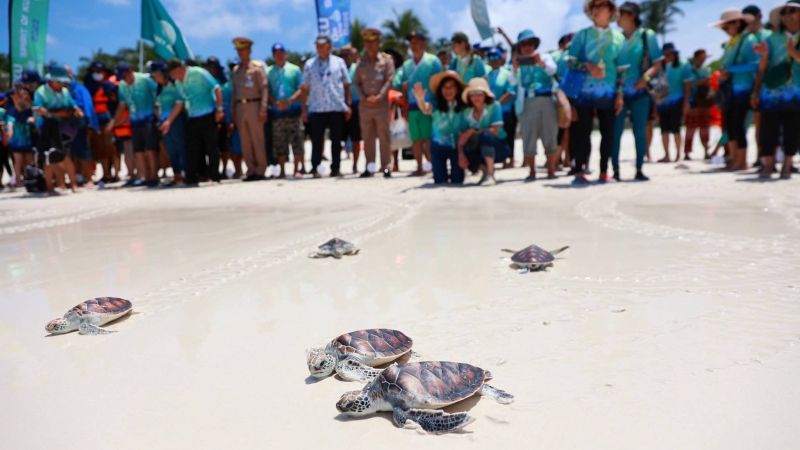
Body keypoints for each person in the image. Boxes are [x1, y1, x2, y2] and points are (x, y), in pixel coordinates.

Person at [565, 0, 625, 185]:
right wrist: (587, 66)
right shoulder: (582, 36)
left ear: (611, 10)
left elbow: (622, 69)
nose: (597, 10)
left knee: (608, 133)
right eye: (594, 6)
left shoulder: (619, 38)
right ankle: (580, 172)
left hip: (608, 93)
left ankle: (604, 172)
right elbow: (570, 61)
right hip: (583, 92)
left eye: (601, 5)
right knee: (582, 133)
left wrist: (620, 94)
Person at [612, 1, 663, 181]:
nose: (617, 19)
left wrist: (645, 79)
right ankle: (615, 170)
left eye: (620, 15)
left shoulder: (647, 35)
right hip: (618, 93)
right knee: (615, 131)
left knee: (640, 131)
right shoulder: (615, 38)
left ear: (631, 15)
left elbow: (657, 63)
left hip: (641, 93)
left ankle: (640, 169)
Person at [752, 0, 800, 179]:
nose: (788, 15)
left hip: (795, 92)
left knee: (792, 129)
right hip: (770, 93)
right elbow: (763, 68)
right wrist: (755, 91)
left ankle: (787, 166)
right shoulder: (771, 38)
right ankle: (768, 165)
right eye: (785, 12)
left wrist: (793, 52)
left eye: (792, 11)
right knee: (767, 130)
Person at [713, 7, 760, 171]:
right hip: (729, 91)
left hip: (744, 89)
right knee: (730, 125)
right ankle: (733, 158)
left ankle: (742, 161)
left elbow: (756, 65)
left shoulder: (749, 40)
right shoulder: (730, 44)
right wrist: (722, 75)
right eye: (724, 27)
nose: (726, 29)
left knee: (739, 125)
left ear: (738, 23)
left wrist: (731, 70)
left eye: (728, 25)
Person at [300, 34, 352, 178]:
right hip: (316, 108)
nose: (319, 48)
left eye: (322, 45)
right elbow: (304, 88)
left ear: (329, 46)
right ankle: (315, 167)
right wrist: (304, 110)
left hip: (336, 106)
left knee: (336, 140)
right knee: (317, 140)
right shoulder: (309, 64)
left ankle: (336, 168)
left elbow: (347, 85)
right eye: (317, 45)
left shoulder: (339, 62)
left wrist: (348, 105)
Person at [511, 29, 559, 180]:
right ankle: (532, 171)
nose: (527, 47)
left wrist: (540, 63)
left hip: (546, 100)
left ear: (535, 44)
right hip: (527, 102)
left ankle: (551, 170)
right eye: (523, 44)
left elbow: (553, 70)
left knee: (550, 134)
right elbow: (512, 82)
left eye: (530, 43)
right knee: (528, 136)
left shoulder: (545, 56)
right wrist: (514, 67)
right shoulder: (517, 61)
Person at [393, 30, 443, 176]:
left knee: (428, 138)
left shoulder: (433, 61)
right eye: (411, 42)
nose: (413, 45)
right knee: (416, 139)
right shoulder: (407, 65)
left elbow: (439, 82)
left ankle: (433, 165)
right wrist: (401, 86)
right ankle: (419, 166)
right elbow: (398, 81)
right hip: (412, 106)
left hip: (428, 106)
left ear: (423, 43)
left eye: (416, 42)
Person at [168, 59, 225, 186]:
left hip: (208, 115)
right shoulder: (177, 83)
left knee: (211, 147)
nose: (172, 77)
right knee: (192, 149)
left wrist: (219, 109)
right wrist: (169, 121)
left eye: (172, 74)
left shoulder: (199, 73)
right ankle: (192, 178)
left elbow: (216, 88)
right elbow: (179, 103)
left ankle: (215, 176)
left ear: (178, 69)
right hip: (192, 117)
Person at [107, 62, 159, 187]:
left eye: (124, 76)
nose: (123, 79)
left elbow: (158, 93)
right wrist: (114, 121)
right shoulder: (122, 86)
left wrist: (158, 112)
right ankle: (145, 177)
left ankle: (154, 177)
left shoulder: (145, 80)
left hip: (149, 119)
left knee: (150, 149)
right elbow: (122, 105)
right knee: (139, 151)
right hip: (135, 121)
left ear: (130, 71)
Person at [33, 65, 83, 193]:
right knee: (49, 158)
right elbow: (39, 111)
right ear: (52, 81)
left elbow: (72, 107)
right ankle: (51, 187)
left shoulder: (65, 92)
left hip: (62, 128)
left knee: (65, 157)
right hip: (45, 128)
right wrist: (60, 112)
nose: (63, 85)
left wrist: (72, 110)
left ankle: (73, 185)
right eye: (60, 82)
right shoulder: (41, 92)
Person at [353, 27, 395, 178]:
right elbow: (356, 82)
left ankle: (386, 167)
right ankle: (370, 166)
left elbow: (390, 79)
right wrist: (363, 97)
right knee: (367, 137)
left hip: (381, 104)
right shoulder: (360, 62)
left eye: (373, 41)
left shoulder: (386, 60)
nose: (370, 45)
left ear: (379, 42)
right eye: (367, 42)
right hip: (365, 106)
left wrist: (380, 96)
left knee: (384, 136)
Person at [412, 70, 466, 184]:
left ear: (457, 89)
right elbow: (425, 109)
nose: (448, 90)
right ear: (440, 90)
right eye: (445, 87)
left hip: (457, 147)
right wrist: (420, 99)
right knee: (440, 179)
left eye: (451, 87)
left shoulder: (463, 105)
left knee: (458, 179)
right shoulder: (436, 104)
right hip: (438, 146)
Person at [231, 37, 269, 181]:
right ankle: (251, 169)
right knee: (245, 141)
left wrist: (263, 108)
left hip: (255, 105)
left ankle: (260, 169)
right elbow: (235, 92)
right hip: (241, 106)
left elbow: (264, 88)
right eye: (239, 51)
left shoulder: (257, 68)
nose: (241, 53)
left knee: (257, 139)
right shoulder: (236, 70)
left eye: (243, 50)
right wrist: (233, 110)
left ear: (249, 50)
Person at [458, 77, 507, 185]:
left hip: (498, 146)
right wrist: (460, 154)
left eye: (479, 94)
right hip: (477, 147)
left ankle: (490, 174)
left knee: (486, 136)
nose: (476, 98)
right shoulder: (466, 112)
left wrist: (473, 131)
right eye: (472, 94)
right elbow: (462, 136)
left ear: (486, 95)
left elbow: (494, 130)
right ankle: (484, 172)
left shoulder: (495, 106)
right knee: (467, 146)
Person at [267, 42, 306, 178]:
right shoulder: (268, 71)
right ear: (273, 55)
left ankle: (297, 169)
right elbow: (267, 91)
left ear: (286, 53)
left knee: (297, 141)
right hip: (277, 112)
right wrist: (275, 102)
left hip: (293, 110)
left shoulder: (294, 69)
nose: (279, 55)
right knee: (279, 143)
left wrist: (290, 101)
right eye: (276, 53)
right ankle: (282, 171)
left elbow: (301, 89)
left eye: (281, 52)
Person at [743, 5, 772, 167]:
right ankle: (761, 156)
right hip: (755, 87)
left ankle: (771, 156)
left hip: (772, 86)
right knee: (758, 123)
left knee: (772, 124)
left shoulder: (768, 36)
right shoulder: (746, 39)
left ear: (759, 16)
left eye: (750, 19)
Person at [149, 61, 186, 186]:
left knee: (180, 147)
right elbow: (157, 106)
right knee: (171, 150)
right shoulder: (159, 89)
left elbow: (179, 103)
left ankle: (184, 173)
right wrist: (161, 121)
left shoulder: (175, 84)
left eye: (155, 75)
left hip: (176, 120)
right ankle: (176, 174)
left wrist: (169, 121)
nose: (154, 78)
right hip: (164, 122)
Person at [656, 43, 692, 162]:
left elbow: (687, 84)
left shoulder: (683, 65)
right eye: (665, 54)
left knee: (676, 128)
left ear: (675, 53)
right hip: (662, 102)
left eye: (670, 53)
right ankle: (666, 155)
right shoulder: (660, 66)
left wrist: (686, 102)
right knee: (664, 130)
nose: (667, 56)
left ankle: (678, 154)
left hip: (677, 101)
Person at [65, 66, 98, 187]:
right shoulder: (63, 90)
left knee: (84, 152)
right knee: (70, 153)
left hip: (80, 124)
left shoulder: (80, 89)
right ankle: (76, 178)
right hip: (66, 125)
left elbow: (88, 107)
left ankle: (89, 178)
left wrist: (90, 124)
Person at [486, 48, 517, 168]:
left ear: (501, 59)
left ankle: (511, 159)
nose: (493, 60)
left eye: (495, 58)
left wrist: (497, 104)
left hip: (506, 109)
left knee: (509, 134)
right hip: (491, 112)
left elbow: (510, 91)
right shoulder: (487, 76)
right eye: (490, 58)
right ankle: (500, 158)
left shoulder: (508, 73)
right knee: (496, 135)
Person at [684, 49, 713, 159]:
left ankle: (706, 151)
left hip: (704, 102)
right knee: (690, 128)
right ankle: (687, 152)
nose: (703, 60)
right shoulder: (688, 69)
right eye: (701, 58)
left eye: (704, 58)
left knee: (705, 127)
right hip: (692, 101)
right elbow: (687, 84)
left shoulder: (706, 69)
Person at [4, 86, 35, 188]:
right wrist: (9, 133)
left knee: (29, 159)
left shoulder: (27, 109)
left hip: (26, 138)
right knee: (18, 160)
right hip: (16, 139)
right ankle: (18, 180)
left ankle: (30, 178)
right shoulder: (11, 110)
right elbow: (10, 123)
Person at [552, 33, 575, 170]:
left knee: (562, 130)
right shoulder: (568, 57)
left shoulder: (555, 57)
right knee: (568, 130)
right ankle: (564, 160)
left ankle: (559, 160)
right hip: (570, 96)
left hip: (560, 96)